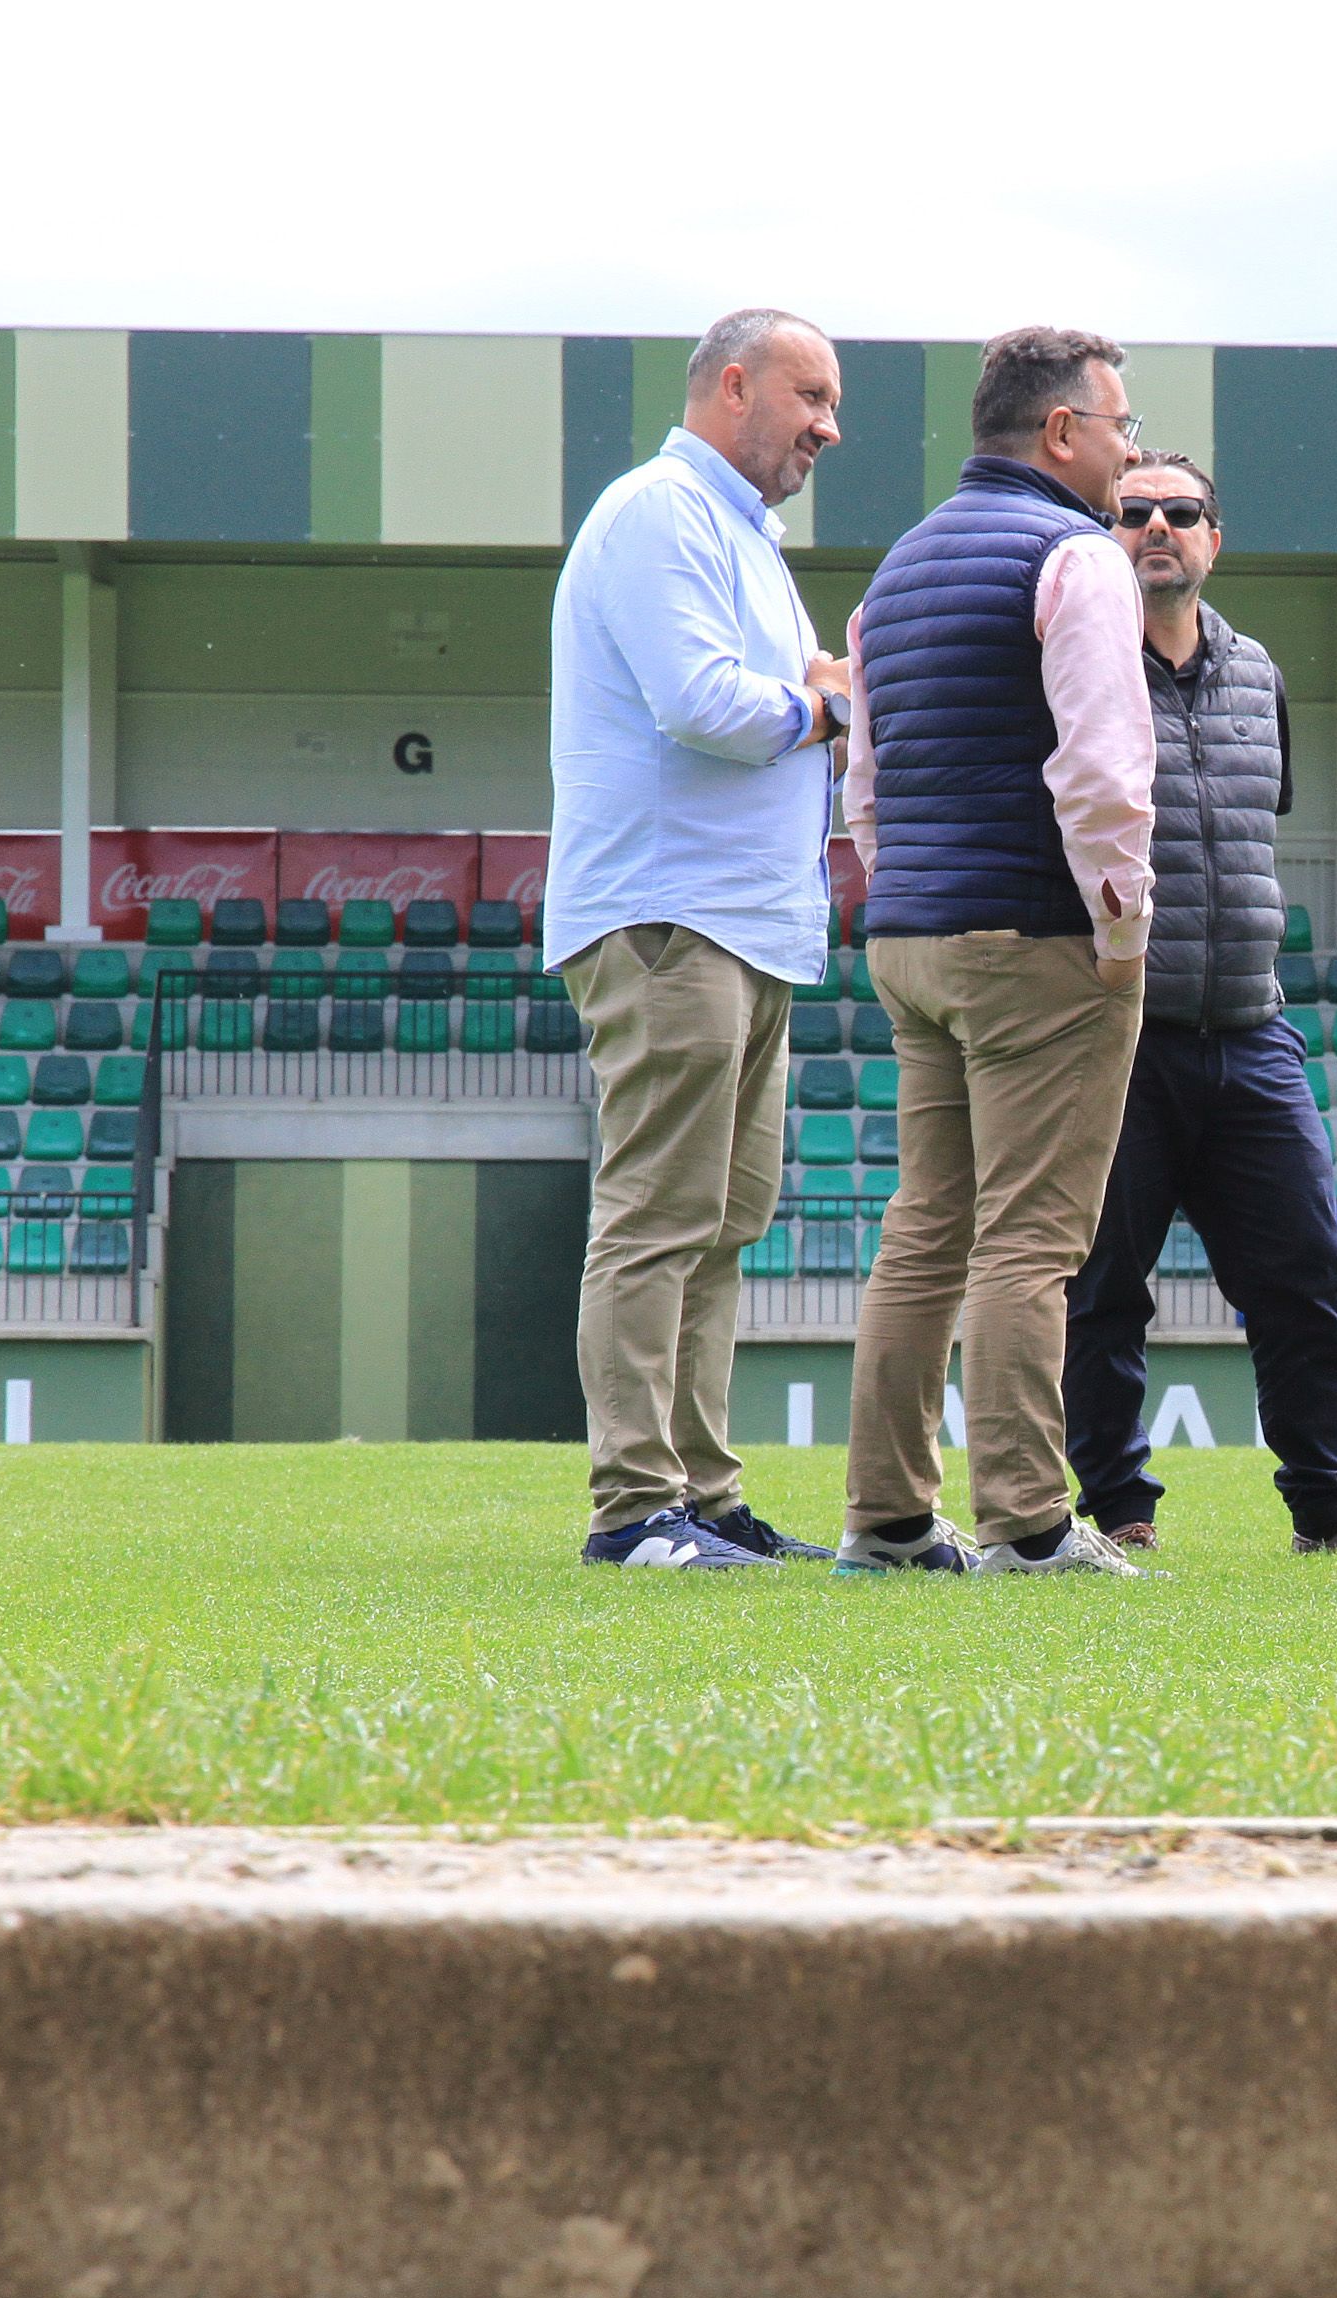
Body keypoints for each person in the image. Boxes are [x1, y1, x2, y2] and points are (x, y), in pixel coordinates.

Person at [836, 329, 1160, 1576]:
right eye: (1121, 426)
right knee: (1031, 1240)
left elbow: (866, 781)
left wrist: (900, 889)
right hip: (1034, 938)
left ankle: (891, 1516)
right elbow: (1101, 768)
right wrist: (1121, 933)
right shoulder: (1078, 555)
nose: (1131, 450)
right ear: (1062, 432)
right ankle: (1029, 1521)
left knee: (926, 1228)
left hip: (911, 934)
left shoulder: (899, 569)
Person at [544, 306, 850, 1570]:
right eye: (812, 397)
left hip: (747, 928)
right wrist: (822, 705)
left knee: (723, 1222)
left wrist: (811, 702)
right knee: (659, 1214)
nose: (828, 427)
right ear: (735, 386)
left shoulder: (740, 534)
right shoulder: (660, 512)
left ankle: (705, 1493)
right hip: (671, 919)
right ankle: (635, 1507)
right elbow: (700, 703)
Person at [1061, 453, 1337, 1559]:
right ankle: (1120, 1512)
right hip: (1123, 1032)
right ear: (1108, 536)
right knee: (1104, 1290)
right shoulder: (1079, 670)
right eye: (1134, 511)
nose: (1158, 526)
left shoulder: (1260, 673)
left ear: (1215, 537)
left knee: (1304, 1278)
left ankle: (1329, 1512)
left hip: (1254, 1028)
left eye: (1182, 512)